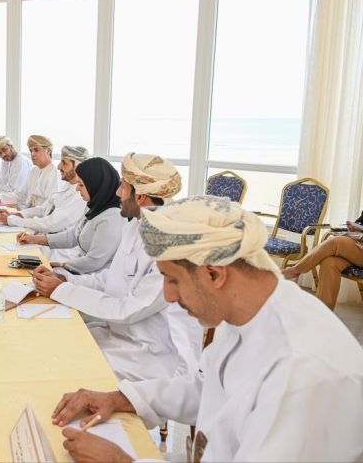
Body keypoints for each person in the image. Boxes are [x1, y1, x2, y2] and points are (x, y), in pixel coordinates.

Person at [53, 195, 363, 463]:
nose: (169, 296)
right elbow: (212, 386)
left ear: (214, 274)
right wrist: (119, 398)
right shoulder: (250, 310)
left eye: (173, 280)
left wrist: (122, 460)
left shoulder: (302, 370)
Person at [32, 153, 201, 382]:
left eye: (123, 187)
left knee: (58, 368)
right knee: (49, 342)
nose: (118, 193)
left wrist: (61, 290)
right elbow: (111, 279)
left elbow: (128, 310)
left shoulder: (171, 245)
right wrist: (66, 279)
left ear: (140, 196)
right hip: (118, 336)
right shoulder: (136, 226)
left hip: (151, 355)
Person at [18, 157, 124, 275]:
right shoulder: (94, 206)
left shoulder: (112, 218)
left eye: (81, 185)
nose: (77, 189)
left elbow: (94, 262)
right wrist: (34, 239)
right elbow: (73, 236)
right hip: (80, 269)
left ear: (96, 185)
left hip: (94, 277)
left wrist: (60, 267)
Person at [0, 145, 88, 236]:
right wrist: (16, 215)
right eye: (31, 150)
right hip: (42, 233)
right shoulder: (67, 186)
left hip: (56, 243)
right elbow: (44, 209)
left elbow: (51, 224)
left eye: (64, 163)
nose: (59, 166)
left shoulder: (80, 195)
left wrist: (12, 220)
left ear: (77, 167)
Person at [282, 211, 363, 310]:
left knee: (334, 242)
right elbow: (360, 221)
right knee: (329, 262)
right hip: (359, 244)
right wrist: (355, 226)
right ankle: (325, 310)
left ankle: (295, 271)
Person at [0, 134, 63, 209]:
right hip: (27, 213)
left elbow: (48, 208)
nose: (32, 154)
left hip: (37, 216)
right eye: (31, 151)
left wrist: (21, 213)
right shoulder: (34, 171)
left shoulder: (55, 174)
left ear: (48, 151)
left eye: (36, 150)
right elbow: (21, 195)